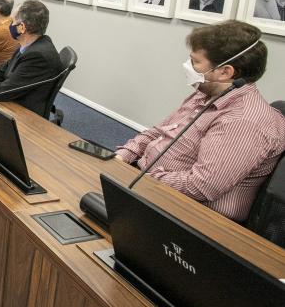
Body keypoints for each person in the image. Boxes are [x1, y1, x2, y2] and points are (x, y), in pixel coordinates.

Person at [116, 20, 285, 223]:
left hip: (191, 215)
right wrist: (121, 157)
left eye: (195, 62)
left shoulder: (243, 121)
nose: (188, 66)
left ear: (225, 72)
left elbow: (201, 187)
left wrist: (143, 175)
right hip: (148, 184)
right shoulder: (206, 93)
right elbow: (157, 132)